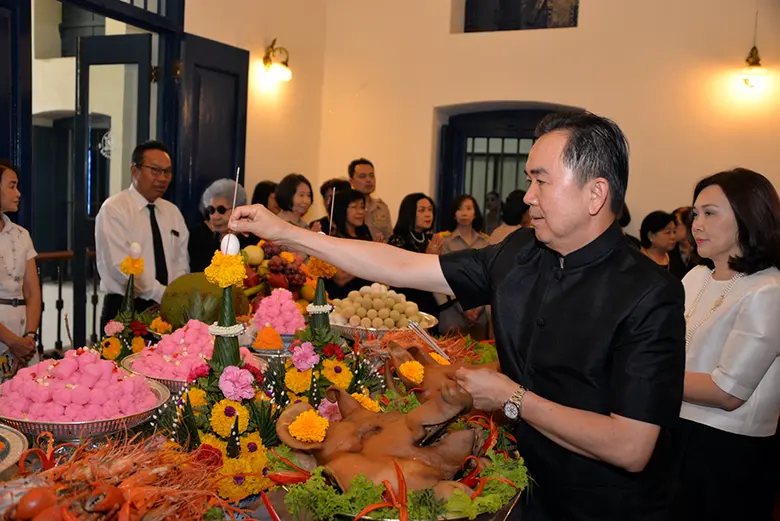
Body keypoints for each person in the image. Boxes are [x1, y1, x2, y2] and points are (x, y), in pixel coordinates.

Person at [230, 111, 685, 521]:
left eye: (542, 181)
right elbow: (402, 265)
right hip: (520, 488)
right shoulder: (521, 253)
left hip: (605, 505)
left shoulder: (649, 293)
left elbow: (631, 446)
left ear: (595, 193)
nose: (528, 197)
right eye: (529, 180)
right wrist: (286, 232)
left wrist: (512, 397)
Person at [672, 169, 780, 521]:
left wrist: (644, 375)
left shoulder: (768, 290)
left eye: (710, 213)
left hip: (727, 449)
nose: (697, 225)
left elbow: (727, 392)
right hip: (675, 428)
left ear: (748, 217)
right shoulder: (695, 277)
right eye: (695, 214)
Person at [95, 141, 190, 329]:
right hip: (126, 307)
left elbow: (181, 262)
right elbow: (120, 266)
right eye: (155, 170)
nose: (162, 178)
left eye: (167, 172)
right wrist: (161, 294)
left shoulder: (172, 212)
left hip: (169, 308)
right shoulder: (114, 209)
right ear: (134, 170)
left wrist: (174, 295)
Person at [0, 160, 40, 380]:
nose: (18, 193)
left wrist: (28, 337)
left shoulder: (21, 234)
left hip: (23, 328)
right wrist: (12, 341)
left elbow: (32, 291)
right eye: (12, 186)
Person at [436, 195, 490, 340]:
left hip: (479, 311)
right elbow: (442, 276)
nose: (464, 213)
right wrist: (462, 308)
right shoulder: (443, 240)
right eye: (460, 209)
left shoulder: (485, 242)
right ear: (454, 214)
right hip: (452, 309)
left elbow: (488, 277)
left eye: (468, 208)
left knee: (481, 350)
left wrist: (478, 309)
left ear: (475, 213)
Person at [387, 193, 441, 326]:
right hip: (406, 306)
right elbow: (402, 275)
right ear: (409, 213)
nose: (428, 214)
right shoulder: (398, 240)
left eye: (430, 210)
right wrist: (428, 257)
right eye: (422, 210)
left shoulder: (430, 239)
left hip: (429, 302)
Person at [188, 179, 259, 273]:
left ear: (237, 209)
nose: (215, 217)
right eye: (211, 210)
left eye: (221, 210)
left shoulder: (252, 240)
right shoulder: (198, 237)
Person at [324, 189, 374, 300]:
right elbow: (340, 279)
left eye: (362, 207)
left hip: (367, 299)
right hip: (344, 301)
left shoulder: (364, 234)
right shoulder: (334, 240)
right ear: (341, 210)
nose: (361, 212)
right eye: (354, 207)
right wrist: (370, 260)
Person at [348, 158, 392, 242]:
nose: (368, 180)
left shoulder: (381, 207)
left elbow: (389, 237)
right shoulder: (346, 208)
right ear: (351, 181)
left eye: (371, 176)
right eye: (362, 176)